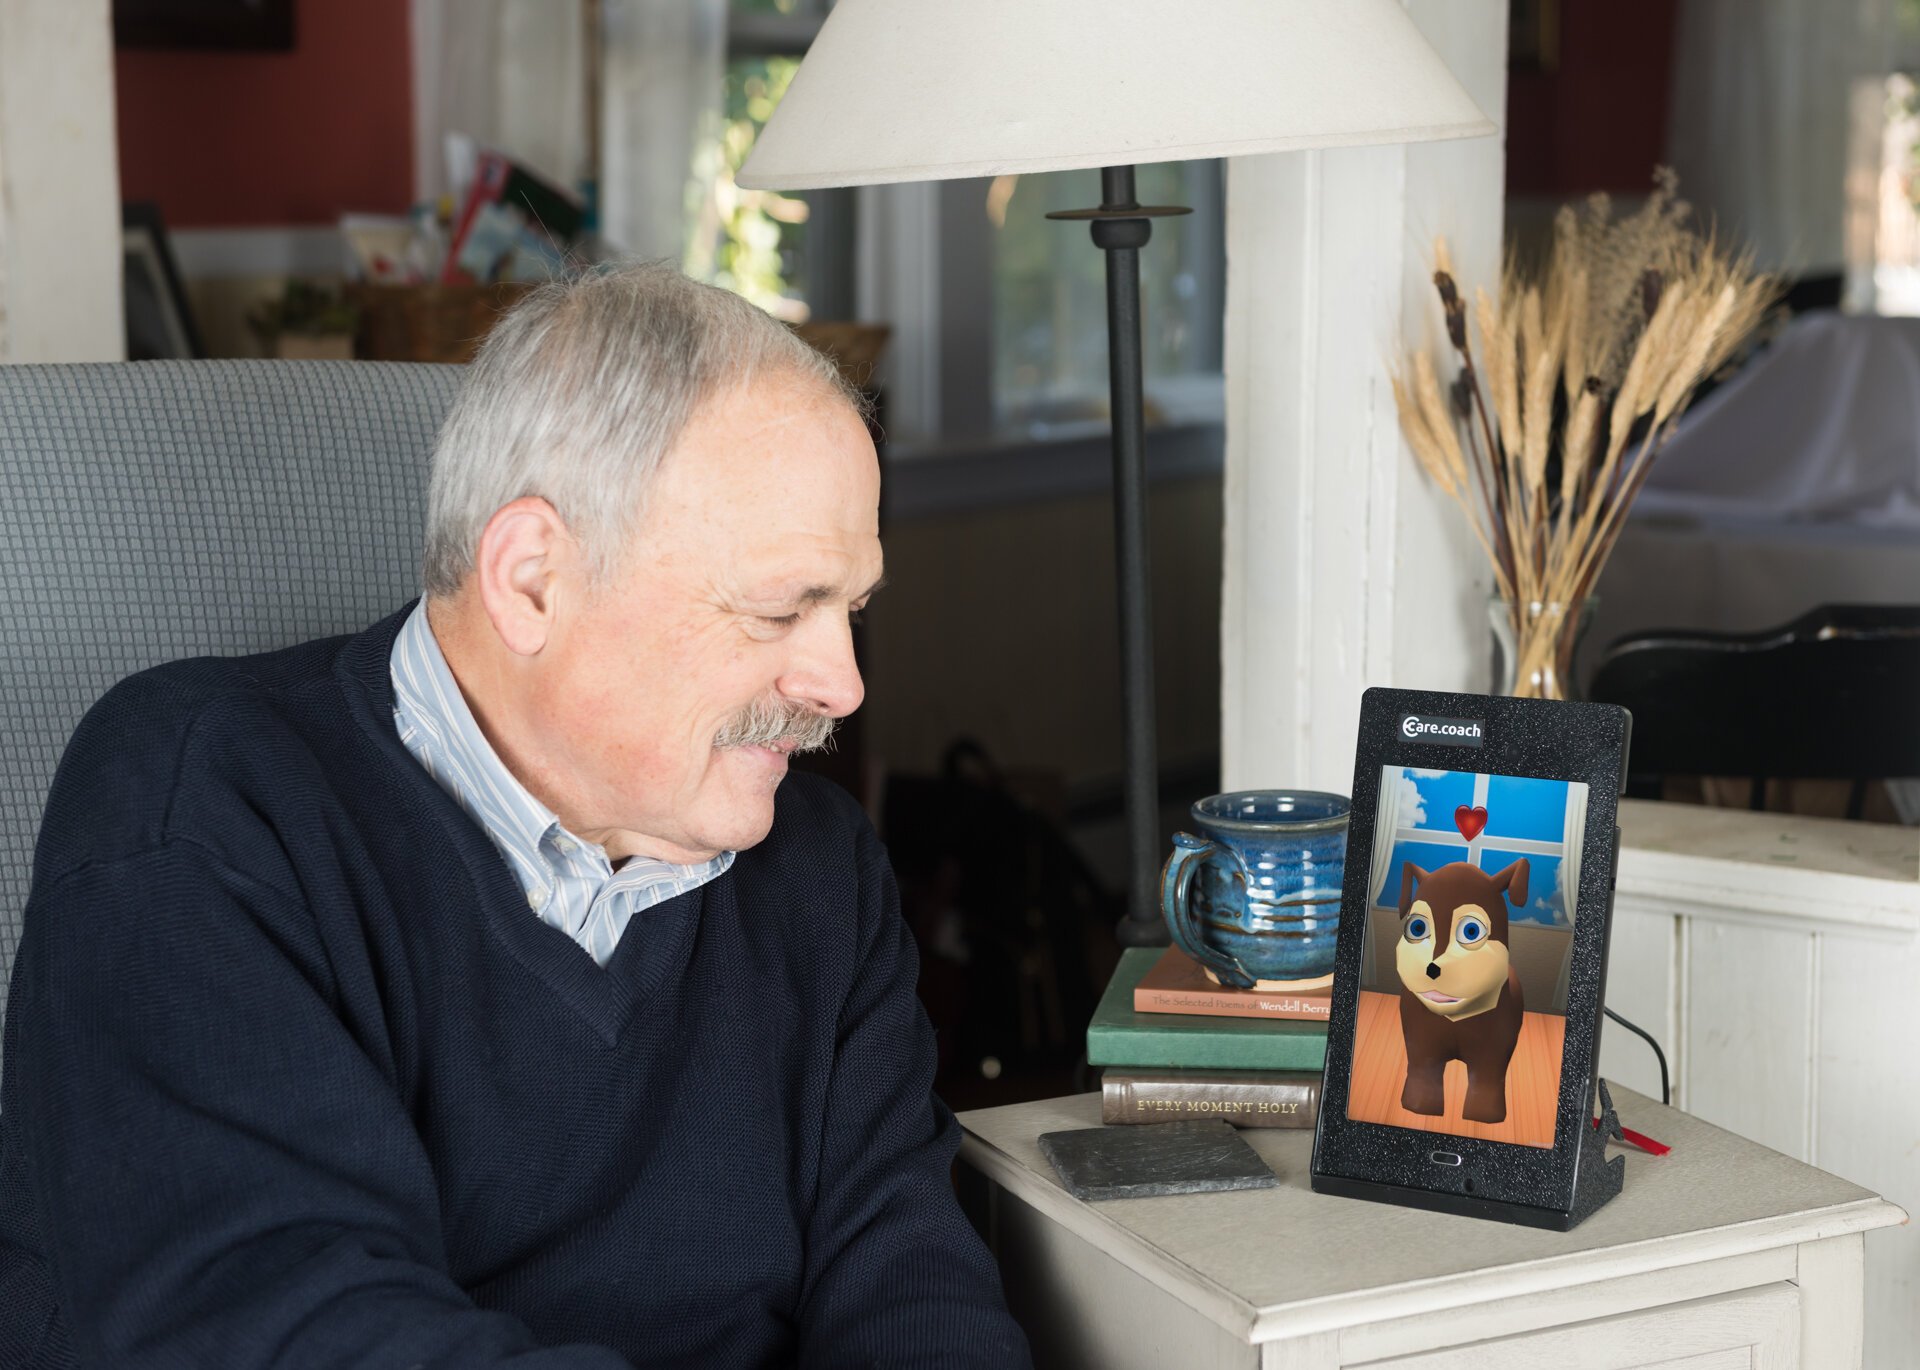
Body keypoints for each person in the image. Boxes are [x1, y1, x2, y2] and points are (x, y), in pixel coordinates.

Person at [0, 265, 1032, 1369]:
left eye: (851, 609)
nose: (843, 685)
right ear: (532, 578)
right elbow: (288, 1324)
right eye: (783, 607)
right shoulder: (197, 802)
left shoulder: (819, 869)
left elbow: (913, 1286)